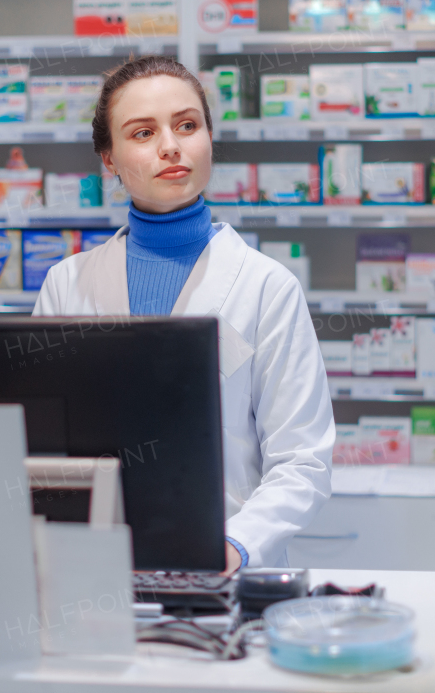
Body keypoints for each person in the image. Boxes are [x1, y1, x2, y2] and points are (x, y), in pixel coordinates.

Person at [33, 56, 334, 571]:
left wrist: (233, 547)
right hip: (89, 567)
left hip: (226, 569)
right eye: (143, 132)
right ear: (109, 158)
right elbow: (39, 450)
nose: (171, 145)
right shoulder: (67, 286)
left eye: (187, 125)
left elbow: (302, 461)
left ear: (209, 140)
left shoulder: (266, 288)